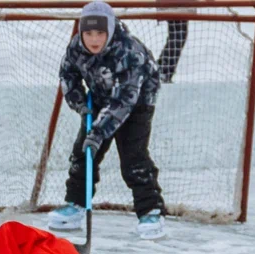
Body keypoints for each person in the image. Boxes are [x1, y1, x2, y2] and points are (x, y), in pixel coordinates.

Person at [47, 1, 167, 240]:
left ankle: (151, 210)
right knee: (83, 153)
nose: (94, 39)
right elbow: (68, 75)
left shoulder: (129, 52)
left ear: (110, 31)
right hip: (100, 97)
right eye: (88, 33)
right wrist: (80, 104)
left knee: (133, 158)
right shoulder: (76, 47)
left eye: (100, 33)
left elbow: (124, 101)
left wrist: (98, 133)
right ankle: (76, 204)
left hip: (137, 102)